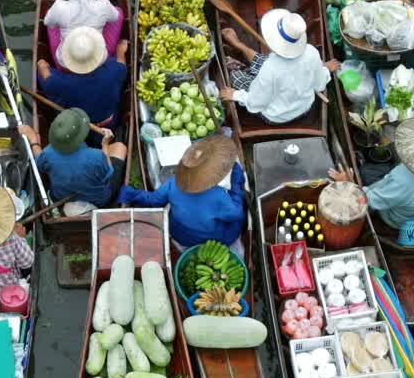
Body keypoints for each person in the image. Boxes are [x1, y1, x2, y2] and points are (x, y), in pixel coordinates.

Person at [116, 134, 246, 250]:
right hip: (211, 238)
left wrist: (132, 194)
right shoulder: (218, 196)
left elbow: (154, 200)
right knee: (237, 221)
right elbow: (236, 214)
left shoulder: (173, 183)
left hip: (179, 234)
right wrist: (236, 185)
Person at [219, 10, 338, 125]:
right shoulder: (312, 52)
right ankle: (239, 45)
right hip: (304, 108)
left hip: (275, 117)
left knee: (234, 76)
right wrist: (325, 69)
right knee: (263, 61)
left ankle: (241, 65)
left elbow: (256, 103)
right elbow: (320, 84)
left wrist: (234, 95)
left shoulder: (270, 68)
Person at [20, 108, 127, 212]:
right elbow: (108, 171)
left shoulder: (49, 153)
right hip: (99, 200)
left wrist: (33, 139)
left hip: (61, 198)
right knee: (119, 147)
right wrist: (105, 144)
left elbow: (39, 159)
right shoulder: (97, 156)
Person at [37, 28, 128, 128]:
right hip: (109, 125)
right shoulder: (114, 71)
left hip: (78, 129)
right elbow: (121, 62)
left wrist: (42, 64)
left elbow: (42, 66)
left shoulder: (59, 83)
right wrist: (121, 51)